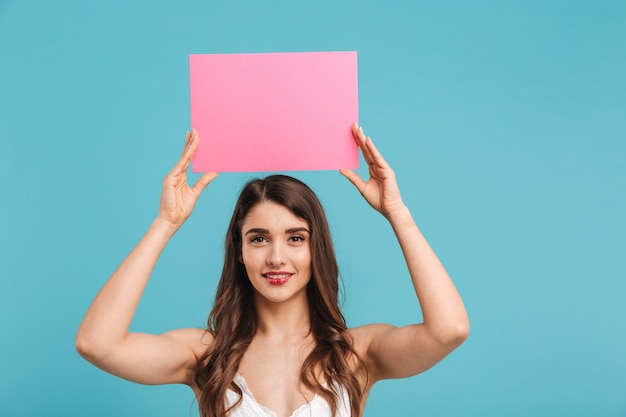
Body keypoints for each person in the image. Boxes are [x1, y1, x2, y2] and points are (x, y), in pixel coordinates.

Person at [75, 124, 469, 417]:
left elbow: (448, 330)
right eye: (259, 239)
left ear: (318, 251)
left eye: (296, 238)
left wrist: (398, 214)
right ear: (240, 251)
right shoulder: (205, 355)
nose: (276, 258)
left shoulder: (355, 354)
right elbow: (98, 344)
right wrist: (165, 223)